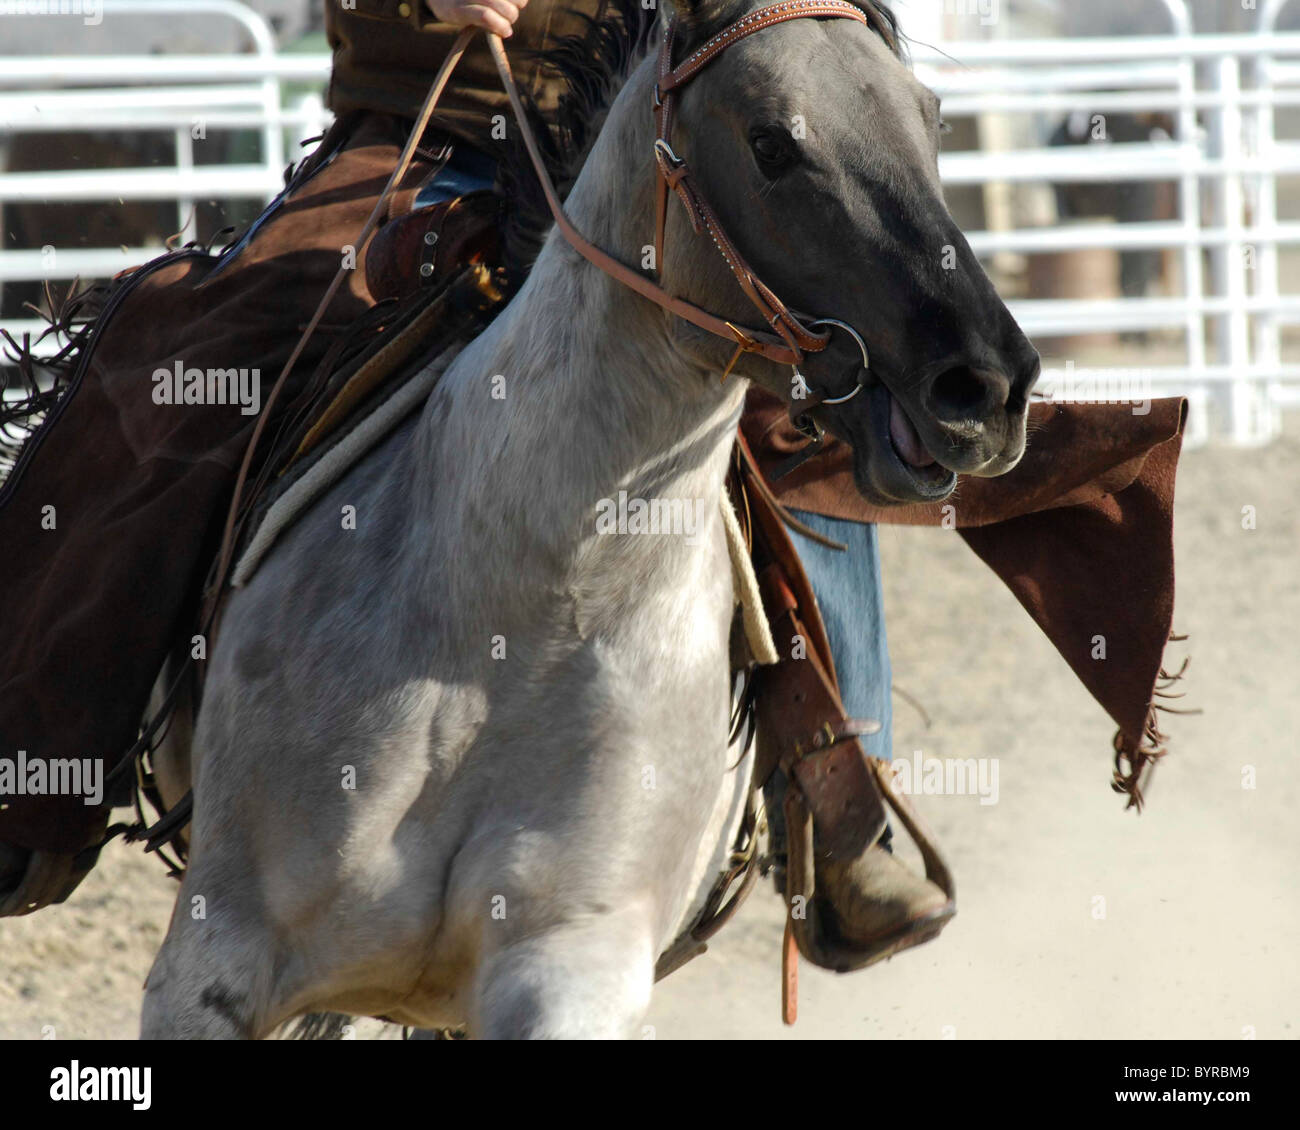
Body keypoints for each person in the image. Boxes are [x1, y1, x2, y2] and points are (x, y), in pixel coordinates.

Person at [0, 0, 1186, 981]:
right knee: (190, 351)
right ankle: (55, 743)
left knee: (802, 390)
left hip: (655, 136)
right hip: (426, 139)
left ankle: (836, 777)